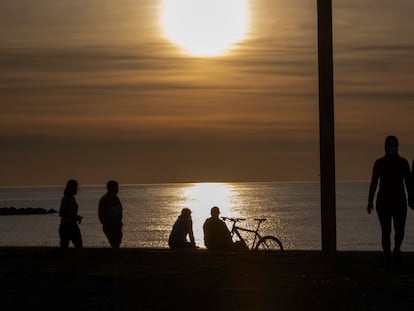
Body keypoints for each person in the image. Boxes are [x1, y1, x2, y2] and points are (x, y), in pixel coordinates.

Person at [367, 136, 413, 264]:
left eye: (394, 145)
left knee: (400, 229)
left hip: (399, 201)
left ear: (397, 146)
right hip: (384, 202)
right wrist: (370, 200)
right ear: (385, 147)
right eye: (390, 145)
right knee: (386, 230)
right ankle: (387, 254)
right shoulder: (379, 163)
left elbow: (408, 183)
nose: (392, 147)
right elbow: (374, 183)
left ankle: (397, 248)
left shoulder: (403, 163)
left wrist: (411, 198)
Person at [98, 180, 123, 248]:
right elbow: (101, 213)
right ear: (111, 188)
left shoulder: (116, 198)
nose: (117, 190)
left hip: (117, 225)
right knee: (114, 243)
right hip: (110, 226)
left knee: (117, 243)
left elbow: (119, 211)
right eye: (116, 188)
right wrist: (105, 223)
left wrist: (120, 223)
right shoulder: (105, 199)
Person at [59, 179, 83, 248]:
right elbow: (62, 213)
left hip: (70, 225)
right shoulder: (66, 198)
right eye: (76, 187)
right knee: (77, 246)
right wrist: (76, 216)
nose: (77, 189)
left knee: (76, 246)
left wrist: (76, 216)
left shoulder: (71, 198)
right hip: (67, 226)